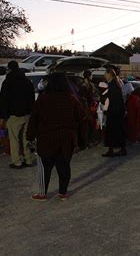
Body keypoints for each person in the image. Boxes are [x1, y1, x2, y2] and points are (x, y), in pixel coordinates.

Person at [26, 73, 87, 201]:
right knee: (64, 165)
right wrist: (82, 140)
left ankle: (42, 193)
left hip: (46, 138)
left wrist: (30, 136)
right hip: (66, 138)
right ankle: (63, 193)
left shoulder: (42, 100)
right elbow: (81, 120)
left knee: (44, 167)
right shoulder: (71, 99)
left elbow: (33, 120)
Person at [0, 61, 36, 169]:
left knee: (14, 139)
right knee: (26, 138)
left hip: (14, 115)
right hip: (27, 114)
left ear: (9, 69)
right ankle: (28, 159)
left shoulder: (8, 82)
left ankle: (17, 161)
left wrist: (3, 116)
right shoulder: (27, 82)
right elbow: (32, 98)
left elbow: (3, 100)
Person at [101, 67, 127, 157]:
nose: (104, 75)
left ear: (109, 74)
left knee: (114, 131)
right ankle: (114, 149)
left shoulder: (113, 85)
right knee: (115, 131)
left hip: (114, 112)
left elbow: (113, 99)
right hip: (116, 111)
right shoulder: (114, 84)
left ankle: (117, 149)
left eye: (105, 73)